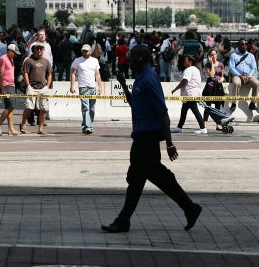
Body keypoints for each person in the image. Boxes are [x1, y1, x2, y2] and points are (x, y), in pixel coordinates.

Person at [101, 45, 202, 233]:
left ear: (141, 59)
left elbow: (162, 113)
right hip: (141, 135)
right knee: (158, 177)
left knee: (136, 180)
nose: (128, 60)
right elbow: (135, 105)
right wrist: (124, 85)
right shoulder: (140, 78)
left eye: (131, 57)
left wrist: (170, 143)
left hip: (147, 138)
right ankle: (190, 208)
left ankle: (123, 220)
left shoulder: (148, 79)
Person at [19, 42, 52, 135]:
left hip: (43, 87)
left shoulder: (46, 61)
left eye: (41, 49)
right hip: (32, 87)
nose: (39, 50)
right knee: (29, 107)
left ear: (43, 50)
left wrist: (47, 86)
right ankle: (23, 123)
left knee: (43, 108)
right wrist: (28, 85)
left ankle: (40, 128)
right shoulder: (29, 60)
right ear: (34, 50)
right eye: (37, 49)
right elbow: (25, 73)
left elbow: (49, 74)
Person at [170, 55, 207, 134]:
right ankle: (179, 127)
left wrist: (176, 88)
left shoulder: (188, 70)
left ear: (190, 62)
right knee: (184, 110)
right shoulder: (196, 69)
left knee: (195, 110)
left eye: (185, 61)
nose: (184, 62)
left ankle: (203, 128)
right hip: (193, 93)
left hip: (190, 94)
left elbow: (185, 81)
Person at [70, 44, 102, 134]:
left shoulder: (95, 61)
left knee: (92, 108)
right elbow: (73, 73)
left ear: (90, 52)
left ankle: (86, 125)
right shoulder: (77, 61)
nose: (85, 52)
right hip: (83, 87)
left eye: (86, 51)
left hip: (92, 86)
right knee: (85, 107)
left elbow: (97, 74)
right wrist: (72, 86)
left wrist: (100, 87)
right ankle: (88, 126)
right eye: (83, 51)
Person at [0, 43, 20, 136]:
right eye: (14, 53)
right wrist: (2, 88)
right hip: (6, 85)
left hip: (11, 85)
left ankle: (11, 128)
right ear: (10, 51)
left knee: (10, 107)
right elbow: (0, 74)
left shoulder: (11, 59)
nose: (15, 55)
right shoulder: (3, 59)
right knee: (10, 106)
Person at [228, 38, 259, 111]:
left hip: (249, 75)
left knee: (257, 83)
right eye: (242, 44)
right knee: (236, 83)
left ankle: (252, 103)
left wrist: (249, 75)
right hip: (237, 75)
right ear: (238, 46)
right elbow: (231, 68)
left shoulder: (251, 55)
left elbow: (254, 68)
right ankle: (234, 103)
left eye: (246, 44)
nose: (244, 46)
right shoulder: (234, 55)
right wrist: (239, 75)